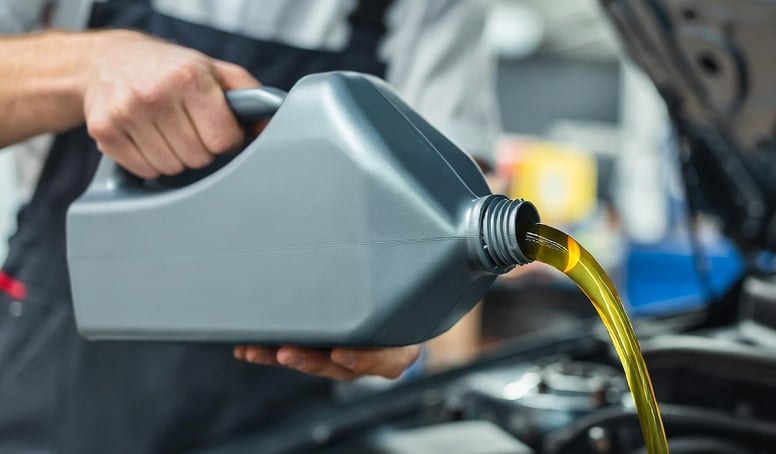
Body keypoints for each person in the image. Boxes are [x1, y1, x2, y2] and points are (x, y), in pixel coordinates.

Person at [0, 0, 499, 452]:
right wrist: (91, 65)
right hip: (65, 364)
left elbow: (449, 185)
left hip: (286, 391)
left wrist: (408, 320)